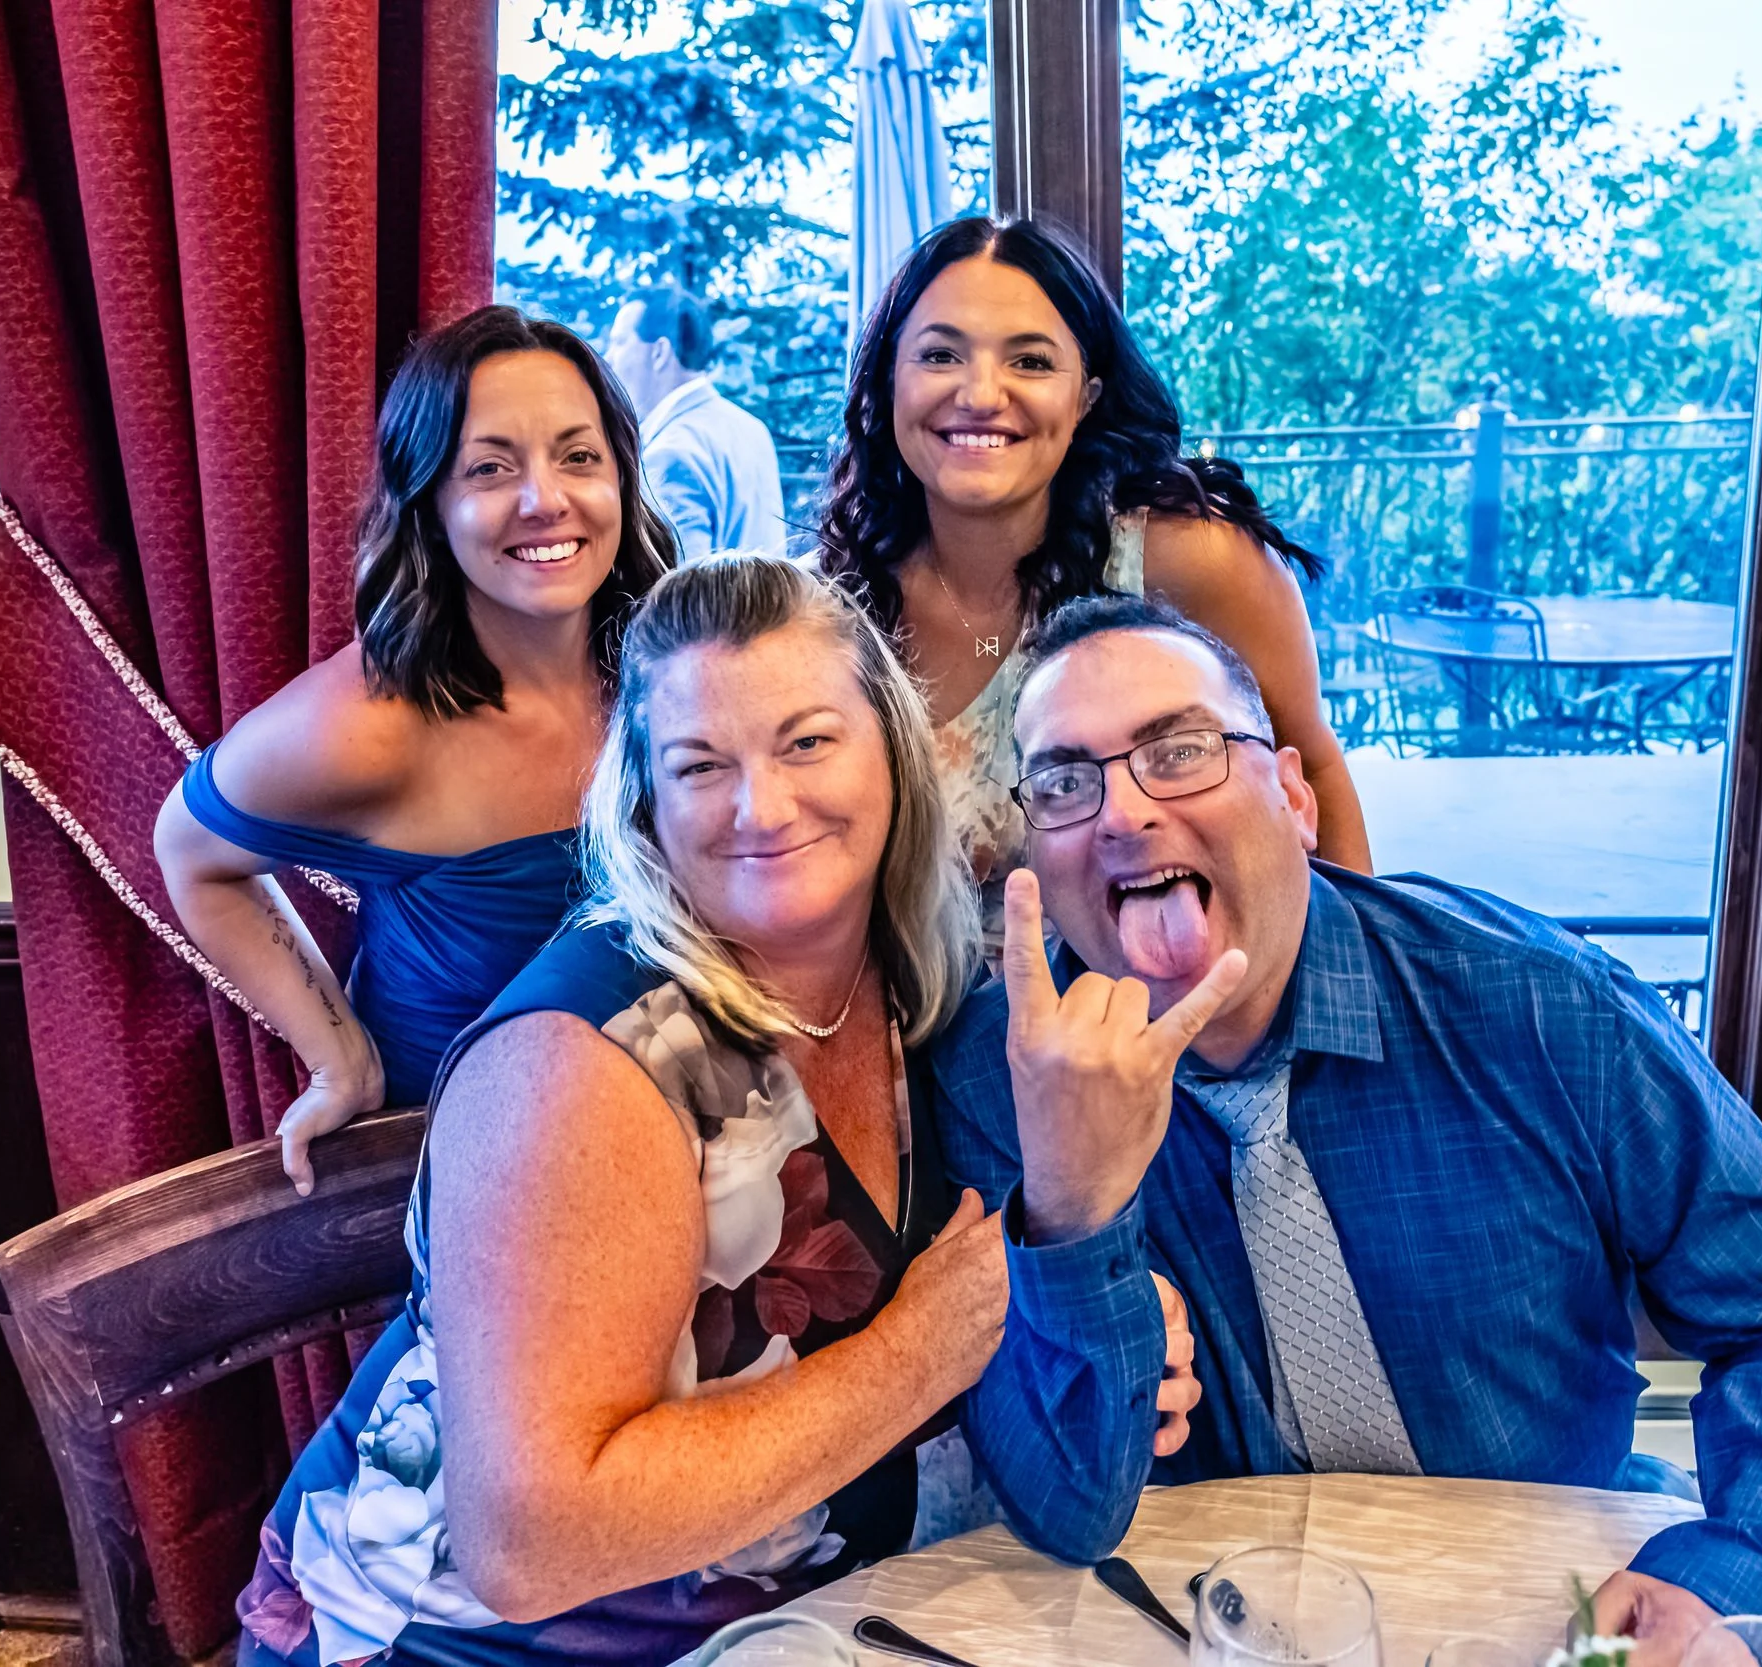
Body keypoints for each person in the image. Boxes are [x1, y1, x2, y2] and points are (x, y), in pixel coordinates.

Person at [232, 558, 1209, 1667]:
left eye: (807, 741)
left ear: (895, 749)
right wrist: (922, 1348)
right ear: (644, 800)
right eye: (701, 764)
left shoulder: (924, 993)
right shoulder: (582, 1062)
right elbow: (526, 1545)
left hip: (789, 1630)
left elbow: (1035, 1409)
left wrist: (1082, 1280)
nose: (764, 806)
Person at [936, 595, 1762, 1665]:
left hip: (1546, 1603)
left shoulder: (1535, 1005)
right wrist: (1072, 1202)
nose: (1122, 812)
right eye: (1065, 783)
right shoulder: (996, 1076)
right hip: (1200, 1623)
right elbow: (1070, 1508)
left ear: (1294, 796)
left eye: (1179, 751)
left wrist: (1736, 1572)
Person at [155, 306, 672, 1191]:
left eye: (579, 457)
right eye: (490, 468)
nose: (544, 499)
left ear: (621, 478)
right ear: (429, 502)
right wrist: (340, 1060)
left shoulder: (671, 667)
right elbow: (188, 848)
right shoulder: (368, 724)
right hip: (472, 1176)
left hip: (674, 1142)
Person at [817, 217, 1373, 914]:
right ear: (887, 380)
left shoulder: (1187, 560)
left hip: (1164, 980)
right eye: (940, 355)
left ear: (1087, 395)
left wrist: (1353, 970)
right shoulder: (834, 603)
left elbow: (1311, 771)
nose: (981, 395)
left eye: (1030, 362)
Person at [605, 283, 789, 562]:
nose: (608, 359)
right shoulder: (752, 429)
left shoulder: (670, 453)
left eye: (619, 342)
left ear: (659, 352)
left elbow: (678, 583)